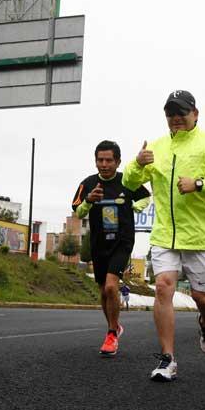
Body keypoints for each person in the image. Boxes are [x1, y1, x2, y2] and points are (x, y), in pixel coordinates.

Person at [123, 90, 205, 381]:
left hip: (200, 237)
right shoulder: (156, 147)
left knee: (203, 297)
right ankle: (168, 359)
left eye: (181, 113)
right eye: (170, 114)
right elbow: (129, 182)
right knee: (163, 287)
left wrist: (200, 183)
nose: (175, 119)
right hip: (164, 234)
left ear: (195, 114)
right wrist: (138, 163)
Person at [72, 140, 150, 357]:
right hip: (99, 243)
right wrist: (89, 200)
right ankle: (115, 326)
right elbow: (78, 211)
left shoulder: (128, 180)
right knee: (103, 292)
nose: (104, 164)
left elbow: (146, 197)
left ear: (118, 161)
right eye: (100, 160)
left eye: (108, 160)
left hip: (122, 241)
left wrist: (133, 206)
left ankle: (111, 334)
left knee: (110, 287)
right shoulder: (88, 183)